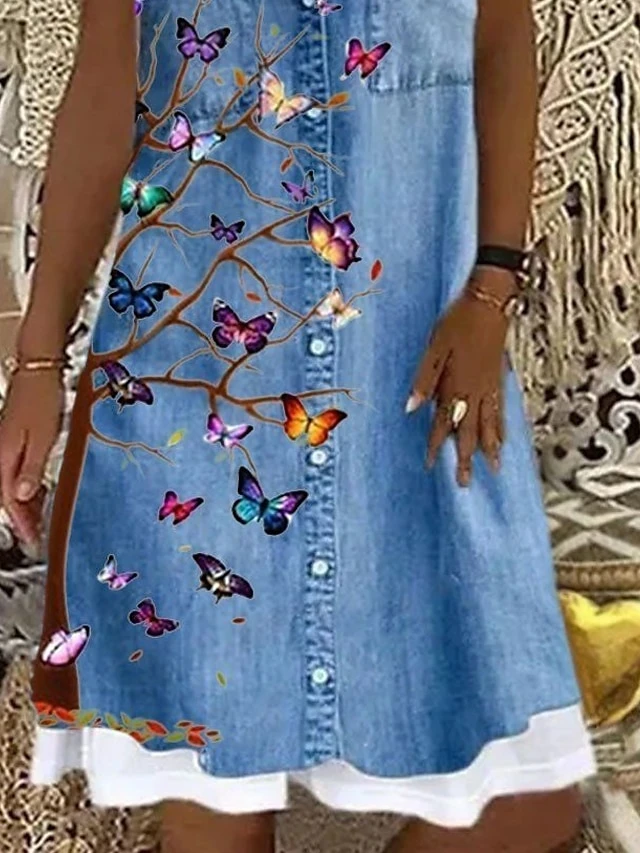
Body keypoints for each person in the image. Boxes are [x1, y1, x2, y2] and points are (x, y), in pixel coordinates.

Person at [0, 0, 596, 850]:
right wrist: (36, 362)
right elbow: (104, 90)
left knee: (531, 803)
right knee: (217, 796)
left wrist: (493, 286)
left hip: (416, 376)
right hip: (198, 390)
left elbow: (501, 40)